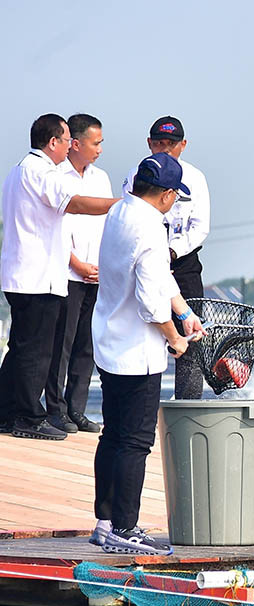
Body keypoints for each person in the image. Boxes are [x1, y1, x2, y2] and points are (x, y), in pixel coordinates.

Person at [91, 152, 203, 555]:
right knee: (135, 442)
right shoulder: (152, 228)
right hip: (138, 350)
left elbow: (160, 278)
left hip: (110, 339)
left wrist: (186, 311)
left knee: (114, 435)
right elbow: (151, 300)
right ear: (168, 195)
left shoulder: (120, 212)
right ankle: (125, 527)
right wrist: (175, 337)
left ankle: (105, 522)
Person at [0, 114, 119, 440]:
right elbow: (76, 204)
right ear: (53, 142)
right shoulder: (42, 171)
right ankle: (29, 416)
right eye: (67, 141)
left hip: (23, 273)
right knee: (37, 351)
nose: (69, 147)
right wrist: (123, 205)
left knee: (22, 348)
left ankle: (6, 412)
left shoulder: (17, 170)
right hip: (38, 275)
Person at [123, 116, 210, 399]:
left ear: (183, 145)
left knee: (192, 332)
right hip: (144, 257)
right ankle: (142, 398)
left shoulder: (195, 178)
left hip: (182, 261)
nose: (165, 149)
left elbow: (201, 227)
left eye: (171, 144)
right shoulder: (137, 174)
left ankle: (188, 400)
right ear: (149, 144)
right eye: (159, 143)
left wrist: (172, 253)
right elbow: (130, 217)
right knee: (145, 327)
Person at [44, 114, 112, 434]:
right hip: (67, 273)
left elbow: (106, 225)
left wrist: (102, 265)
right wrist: (76, 263)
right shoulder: (56, 176)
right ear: (76, 143)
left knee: (87, 344)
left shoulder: (101, 178)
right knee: (63, 344)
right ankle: (54, 410)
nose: (100, 148)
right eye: (95, 142)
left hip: (96, 273)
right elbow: (54, 226)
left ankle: (77, 409)